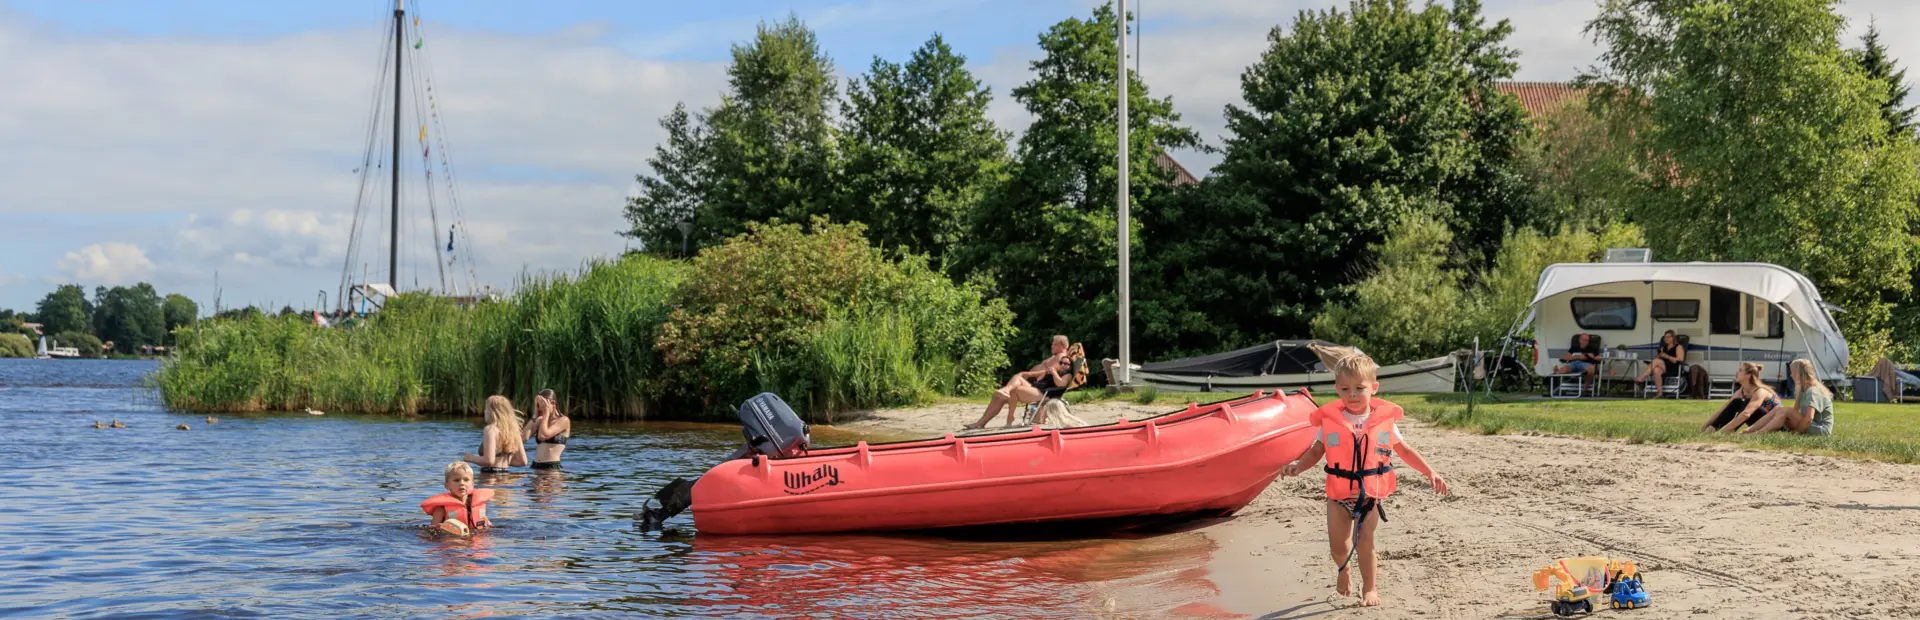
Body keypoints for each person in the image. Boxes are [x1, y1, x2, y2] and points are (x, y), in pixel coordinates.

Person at [1280, 344, 1448, 608]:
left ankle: (1370, 587)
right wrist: (1298, 466)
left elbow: (1404, 450)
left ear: (1374, 388)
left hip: (1370, 494)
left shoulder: (1384, 421)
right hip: (1338, 496)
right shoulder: (1331, 420)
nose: (1353, 395)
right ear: (1337, 390)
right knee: (1338, 546)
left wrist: (1430, 471)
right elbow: (1316, 452)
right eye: (1345, 389)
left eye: (1359, 388)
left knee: (1365, 542)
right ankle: (1343, 570)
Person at [962, 335, 1073, 430]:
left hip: (1043, 390)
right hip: (1037, 386)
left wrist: (1028, 374)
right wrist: (1025, 374)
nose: (1052, 346)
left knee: (1009, 391)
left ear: (1063, 346)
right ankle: (982, 421)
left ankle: (988, 421)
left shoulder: (1062, 359)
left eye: (1055, 344)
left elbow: (1046, 372)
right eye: (1052, 344)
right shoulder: (1056, 357)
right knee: (1004, 390)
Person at [1743, 359, 1834, 436]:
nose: (1791, 375)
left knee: (1785, 410)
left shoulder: (1813, 391)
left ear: (1799, 374)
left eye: (1792, 372)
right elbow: (1794, 412)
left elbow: (1809, 418)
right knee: (1779, 409)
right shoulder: (1803, 390)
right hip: (1811, 426)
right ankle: (1748, 431)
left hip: (1821, 430)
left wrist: (1796, 433)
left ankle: (1758, 434)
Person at [1701, 362, 1780, 433]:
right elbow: (1723, 410)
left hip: (1776, 426)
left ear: (1748, 375)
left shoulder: (1760, 391)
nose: (1736, 372)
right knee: (1736, 402)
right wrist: (1705, 426)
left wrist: (1724, 431)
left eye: (1740, 370)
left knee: (1746, 403)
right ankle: (1712, 430)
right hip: (1761, 423)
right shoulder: (1741, 391)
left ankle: (1729, 431)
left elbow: (1746, 414)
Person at [422, 462, 493, 536]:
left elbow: (488, 525)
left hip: (477, 540)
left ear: (472, 484)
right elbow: (431, 531)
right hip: (453, 541)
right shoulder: (441, 508)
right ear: (447, 485)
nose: (462, 483)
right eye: (456, 480)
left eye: (466, 480)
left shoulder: (478, 504)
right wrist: (439, 530)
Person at [464, 395, 529, 473]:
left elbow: (489, 461)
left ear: (492, 412)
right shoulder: (514, 431)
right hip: (505, 476)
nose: (485, 411)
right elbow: (522, 461)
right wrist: (502, 461)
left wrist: (470, 458)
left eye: (486, 408)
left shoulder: (490, 429)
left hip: (489, 477)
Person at [524, 389, 571, 470]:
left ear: (553, 403)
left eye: (542, 405)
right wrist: (535, 415)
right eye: (538, 406)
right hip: (535, 466)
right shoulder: (540, 420)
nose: (539, 409)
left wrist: (546, 412)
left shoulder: (563, 420)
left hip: (551, 467)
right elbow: (522, 438)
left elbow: (543, 436)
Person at [1633, 330, 1687, 396]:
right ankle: (1660, 393)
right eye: (1665, 337)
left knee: (1656, 361)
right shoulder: (1663, 348)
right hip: (1663, 366)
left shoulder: (1678, 347)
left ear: (1673, 338)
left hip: (1674, 367)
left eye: (1668, 337)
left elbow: (1680, 359)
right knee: (1656, 370)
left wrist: (1666, 356)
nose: (1666, 339)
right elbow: (1659, 358)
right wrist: (1659, 356)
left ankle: (1641, 378)